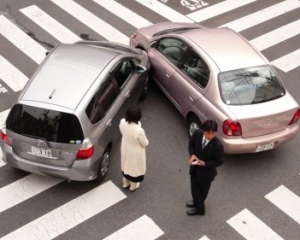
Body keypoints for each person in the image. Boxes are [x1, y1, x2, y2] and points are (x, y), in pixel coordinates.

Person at [186, 119, 223, 216]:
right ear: (203, 130)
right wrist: (192, 155)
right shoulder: (197, 134)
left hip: (206, 174)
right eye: (208, 133)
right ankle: (195, 202)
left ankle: (200, 210)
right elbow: (191, 145)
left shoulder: (218, 146)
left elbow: (219, 161)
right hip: (195, 169)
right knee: (194, 188)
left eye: (213, 133)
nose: (210, 136)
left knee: (202, 192)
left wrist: (205, 164)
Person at [119, 106, 149, 191]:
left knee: (125, 165)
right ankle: (133, 186)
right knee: (134, 169)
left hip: (125, 147)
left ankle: (125, 182)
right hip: (135, 152)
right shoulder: (139, 130)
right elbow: (145, 143)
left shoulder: (122, 123)